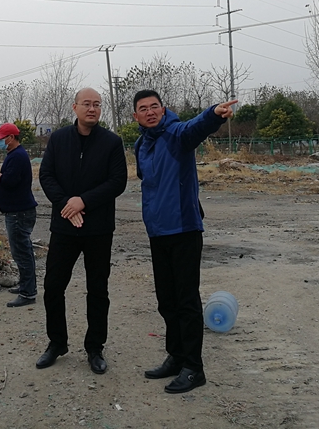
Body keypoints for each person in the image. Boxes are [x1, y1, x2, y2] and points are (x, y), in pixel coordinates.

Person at [132, 90, 236, 394]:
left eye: (154, 107)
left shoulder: (177, 134)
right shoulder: (141, 145)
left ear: (163, 110)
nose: (150, 112)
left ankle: (193, 368)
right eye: (143, 109)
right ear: (136, 116)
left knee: (186, 300)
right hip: (157, 232)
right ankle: (176, 357)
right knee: (167, 301)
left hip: (184, 230)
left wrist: (213, 114)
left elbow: (196, 127)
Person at [36, 88, 127, 375]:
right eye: (86, 104)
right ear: (74, 107)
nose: (92, 109)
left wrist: (83, 201)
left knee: (98, 289)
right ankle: (57, 342)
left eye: (97, 104)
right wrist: (67, 205)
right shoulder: (59, 139)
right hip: (64, 226)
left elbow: (118, 181)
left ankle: (95, 347)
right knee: (53, 286)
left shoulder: (111, 142)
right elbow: (46, 175)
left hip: (98, 228)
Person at [0, 122, 38, 308]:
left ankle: (28, 293)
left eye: (2, 139)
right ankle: (26, 285)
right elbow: (9, 182)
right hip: (17, 211)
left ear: (11, 138)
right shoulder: (13, 155)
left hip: (19, 213)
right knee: (21, 251)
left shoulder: (18, 156)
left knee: (21, 252)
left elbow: (10, 181)